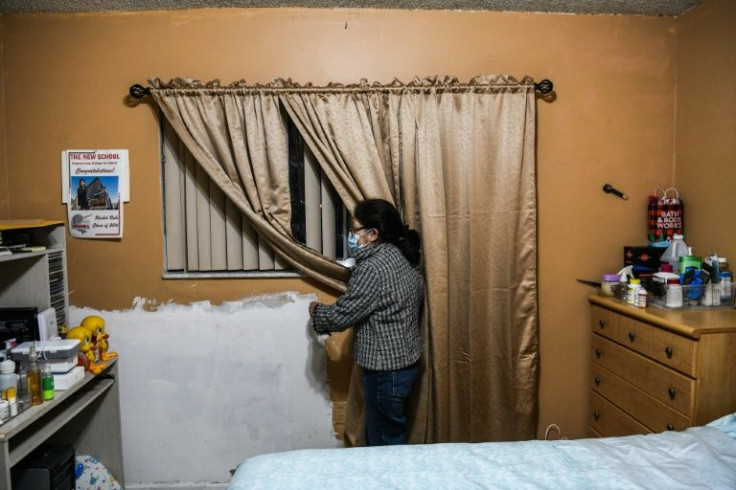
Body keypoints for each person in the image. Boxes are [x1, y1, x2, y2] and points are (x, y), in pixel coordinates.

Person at [309, 198, 423, 446]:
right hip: (405, 362)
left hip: (386, 369)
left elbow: (345, 314)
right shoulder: (398, 255)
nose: (351, 236)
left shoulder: (373, 268)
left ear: (372, 234)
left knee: (383, 441)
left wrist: (317, 313)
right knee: (388, 434)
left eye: (355, 230)